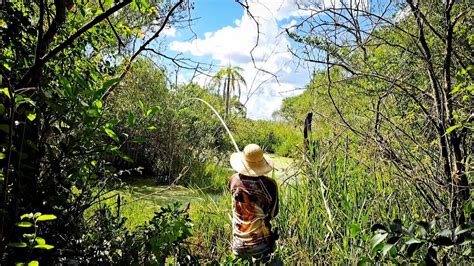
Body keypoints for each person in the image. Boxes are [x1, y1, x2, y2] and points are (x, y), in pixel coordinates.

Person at [228, 144, 279, 263]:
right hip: (260, 244)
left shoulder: (233, 180)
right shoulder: (270, 185)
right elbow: (273, 213)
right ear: (261, 163)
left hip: (238, 243)